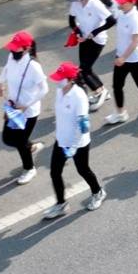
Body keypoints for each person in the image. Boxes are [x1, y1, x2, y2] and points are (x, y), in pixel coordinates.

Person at [43, 62, 105, 219]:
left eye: (60, 78)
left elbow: (83, 126)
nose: (57, 81)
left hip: (78, 143)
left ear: (70, 79)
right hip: (61, 140)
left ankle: (98, 192)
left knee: (83, 169)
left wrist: (73, 146)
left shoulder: (79, 96)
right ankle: (61, 204)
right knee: (55, 172)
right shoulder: (59, 92)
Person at [0, 29, 47, 184]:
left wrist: (26, 106)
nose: (12, 49)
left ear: (26, 48)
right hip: (12, 107)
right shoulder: (11, 57)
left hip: (28, 111)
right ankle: (30, 146)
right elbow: (6, 69)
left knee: (19, 141)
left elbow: (44, 89)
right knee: (7, 138)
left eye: (16, 47)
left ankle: (29, 168)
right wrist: (0, 83)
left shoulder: (33, 66)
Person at [66, 0, 113, 111]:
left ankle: (100, 92)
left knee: (83, 70)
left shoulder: (95, 4)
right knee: (86, 68)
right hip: (84, 38)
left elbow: (111, 20)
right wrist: (78, 32)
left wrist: (95, 32)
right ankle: (102, 90)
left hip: (98, 40)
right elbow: (71, 21)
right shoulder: (76, 3)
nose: (77, 1)